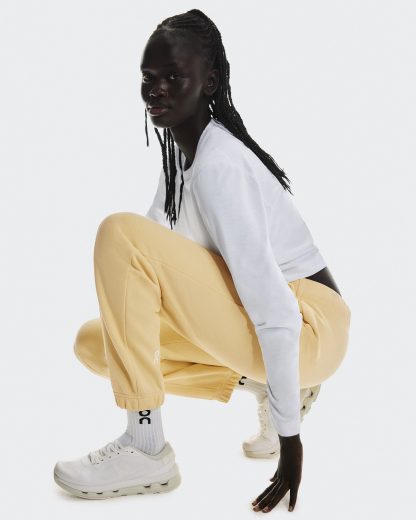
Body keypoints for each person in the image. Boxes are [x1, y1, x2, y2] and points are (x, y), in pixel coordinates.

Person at [53, 9, 351, 513]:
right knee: (96, 344)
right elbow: (148, 263)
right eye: (149, 77)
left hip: (308, 325)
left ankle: (145, 447)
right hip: (269, 320)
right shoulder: (180, 159)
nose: (156, 89)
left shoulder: (220, 166)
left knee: (118, 231)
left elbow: (275, 308)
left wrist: (291, 441)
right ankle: (264, 383)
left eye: (174, 77)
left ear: (209, 82)